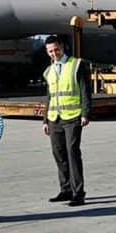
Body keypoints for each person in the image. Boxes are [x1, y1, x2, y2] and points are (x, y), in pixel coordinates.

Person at [42, 34, 92, 206]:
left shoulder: (77, 65)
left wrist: (86, 113)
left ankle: (78, 193)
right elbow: (49, 96)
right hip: (54, 118)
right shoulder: (49, 70)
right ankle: (65, 190)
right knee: (59, 154)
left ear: (62, 48)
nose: (54, 53)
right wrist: (45, 120)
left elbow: (86, 91)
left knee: (72, 152)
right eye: (50, 51)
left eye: (56, 49)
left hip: (73, 116)